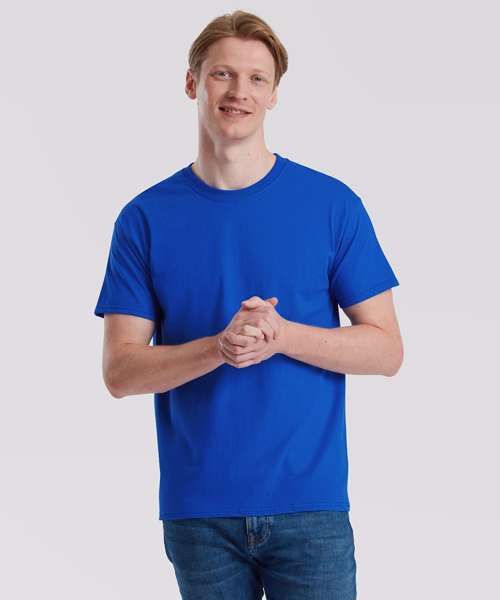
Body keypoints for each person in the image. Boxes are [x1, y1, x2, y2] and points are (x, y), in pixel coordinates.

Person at [93, 10, 403, 600]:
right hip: (199, 513)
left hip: (310, 506)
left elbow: (386, 349)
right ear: (192, 82)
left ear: (274, 93)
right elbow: (120, 371)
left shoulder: (331, 205)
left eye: (257, 78)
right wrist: (219, 347)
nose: (240, 91)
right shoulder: (144, 218)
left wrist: (283, 336)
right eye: (223, 74)